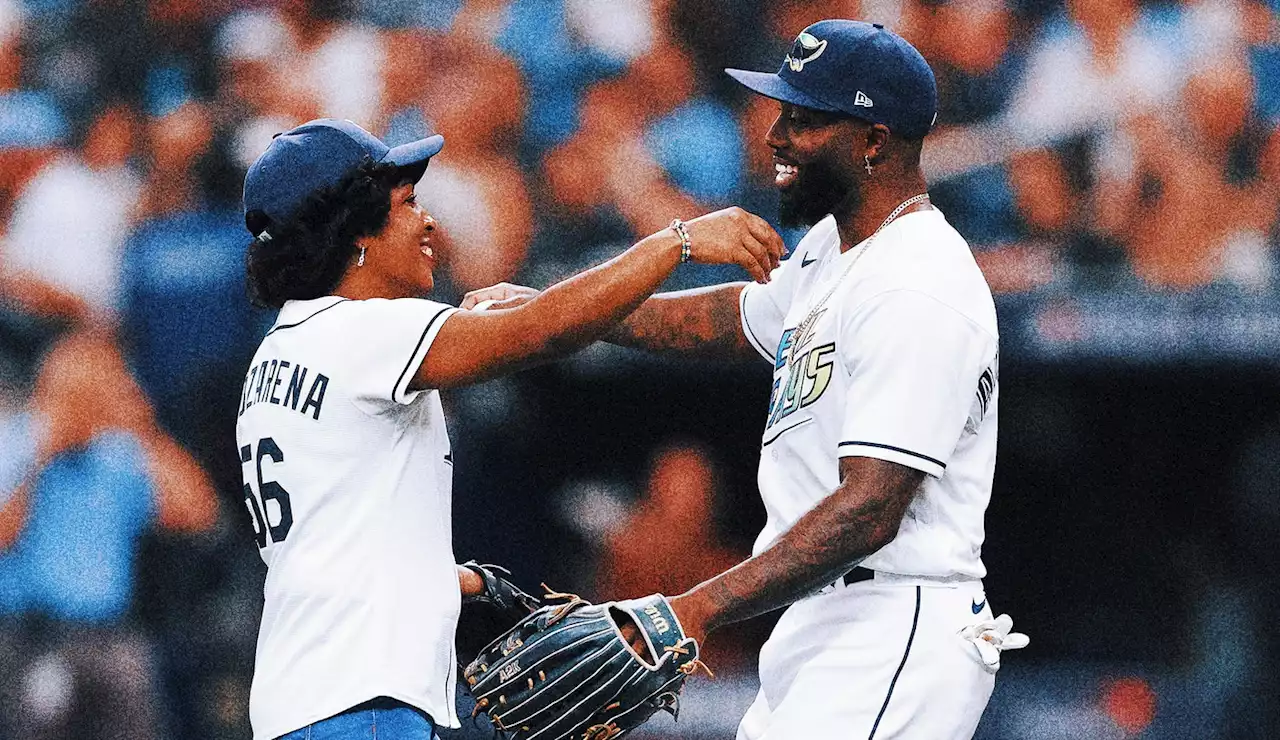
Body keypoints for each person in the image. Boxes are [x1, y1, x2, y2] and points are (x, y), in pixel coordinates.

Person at [466, 19, 1027, 739]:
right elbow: (732, 319)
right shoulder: (836, 249)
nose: (775, 135)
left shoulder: (916, 280)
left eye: (803, 119)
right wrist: (569, 310)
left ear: (874, 140)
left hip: (895, 622)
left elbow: (870, 509)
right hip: (832, 624)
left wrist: (692, 607)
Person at [235, 118, 783, 740]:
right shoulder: (363, 331)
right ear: (355, 233)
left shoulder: (279, 353)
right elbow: (540, 335)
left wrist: (463, 583)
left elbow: (334, 545)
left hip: (307, 699)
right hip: (362, 706)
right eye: (408, 203)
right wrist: (677, 241)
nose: (429, 222)